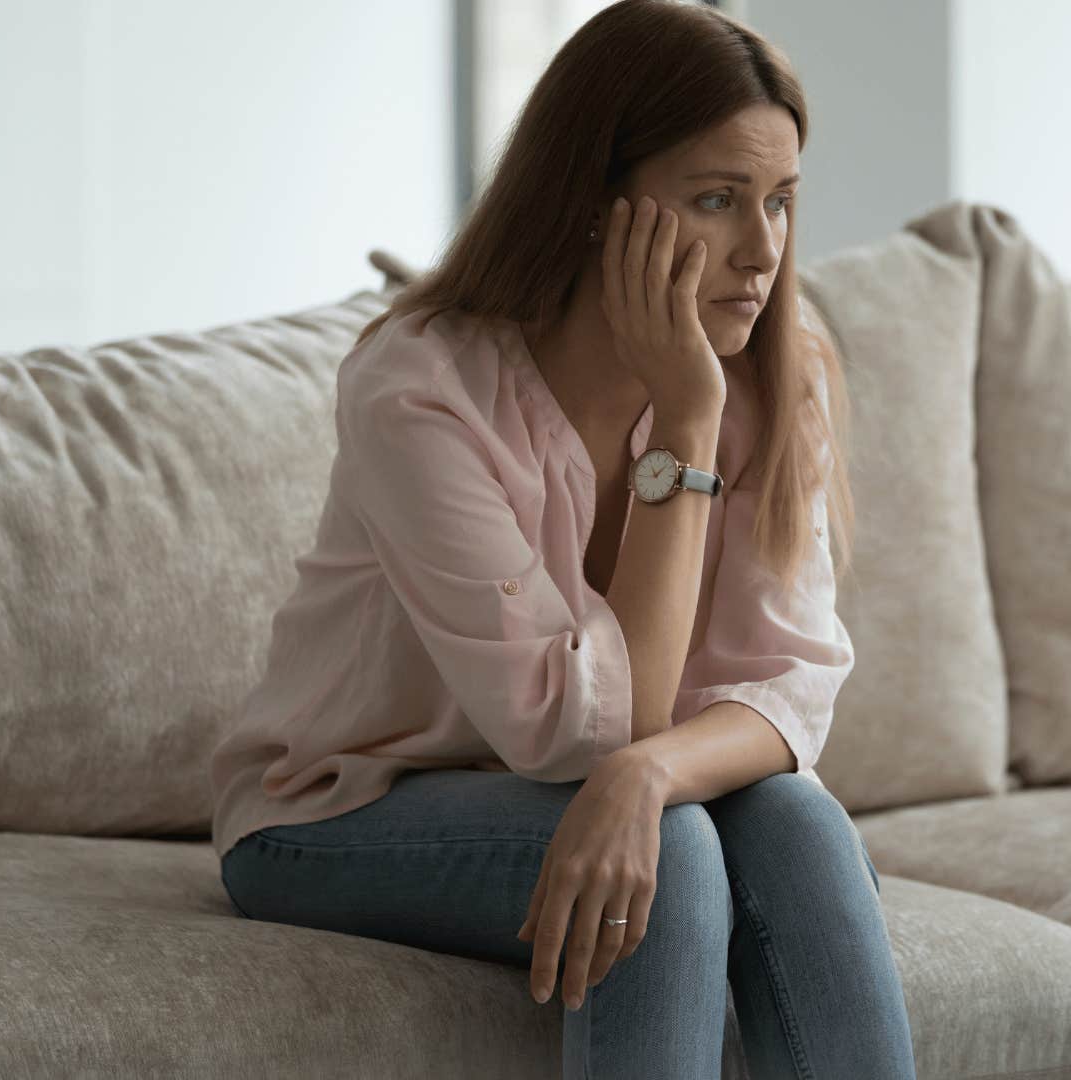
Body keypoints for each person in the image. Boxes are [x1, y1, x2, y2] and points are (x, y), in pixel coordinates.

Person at [209, 1, 915, 1076]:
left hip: (604, 789)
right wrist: (685, 421)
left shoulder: (779, 371)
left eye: (779, 201)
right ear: (596, 204)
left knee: (799, 828)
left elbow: (792, 692)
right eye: (717, 201)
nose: (763, 250)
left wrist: (643, 777)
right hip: (340, 812)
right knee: (671, 850)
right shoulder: (424, 386)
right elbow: (568, 733)